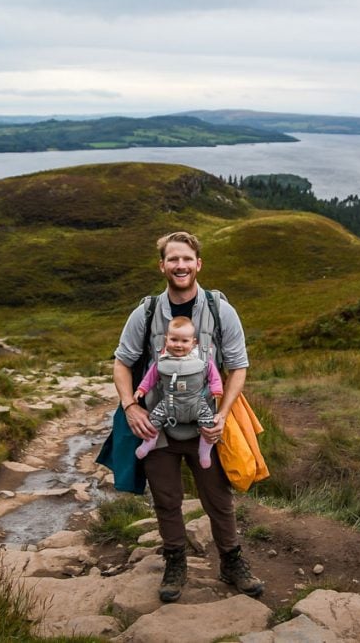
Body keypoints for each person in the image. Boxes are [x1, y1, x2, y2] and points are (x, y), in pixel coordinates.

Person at [113, 231, 264, 603]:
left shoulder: (219, 310)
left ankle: (231, 562)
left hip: (206, 428)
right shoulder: (146, 312)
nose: (180, 265)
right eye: (172, 259)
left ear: (198, 264)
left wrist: (224, 415)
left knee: (219, 497)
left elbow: (238, 367)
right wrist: (131, 407)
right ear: (162, 265)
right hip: (157, 425)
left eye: (186, 259)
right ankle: (175, 562)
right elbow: (122, 362)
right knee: (166, 499)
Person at [133, 315, 223, 469]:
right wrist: (141, 389)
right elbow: (151, 377)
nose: (179, 345)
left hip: (196, 402)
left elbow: (214, 376)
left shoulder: (202, 359)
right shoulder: (162, 360)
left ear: (193, 342)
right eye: (174, 340)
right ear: (166, 340)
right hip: (169, 402)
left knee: (208, 423)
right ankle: (149, 442)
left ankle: (204, 451)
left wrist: (216, 390)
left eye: (184, 341)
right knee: (155, 419)